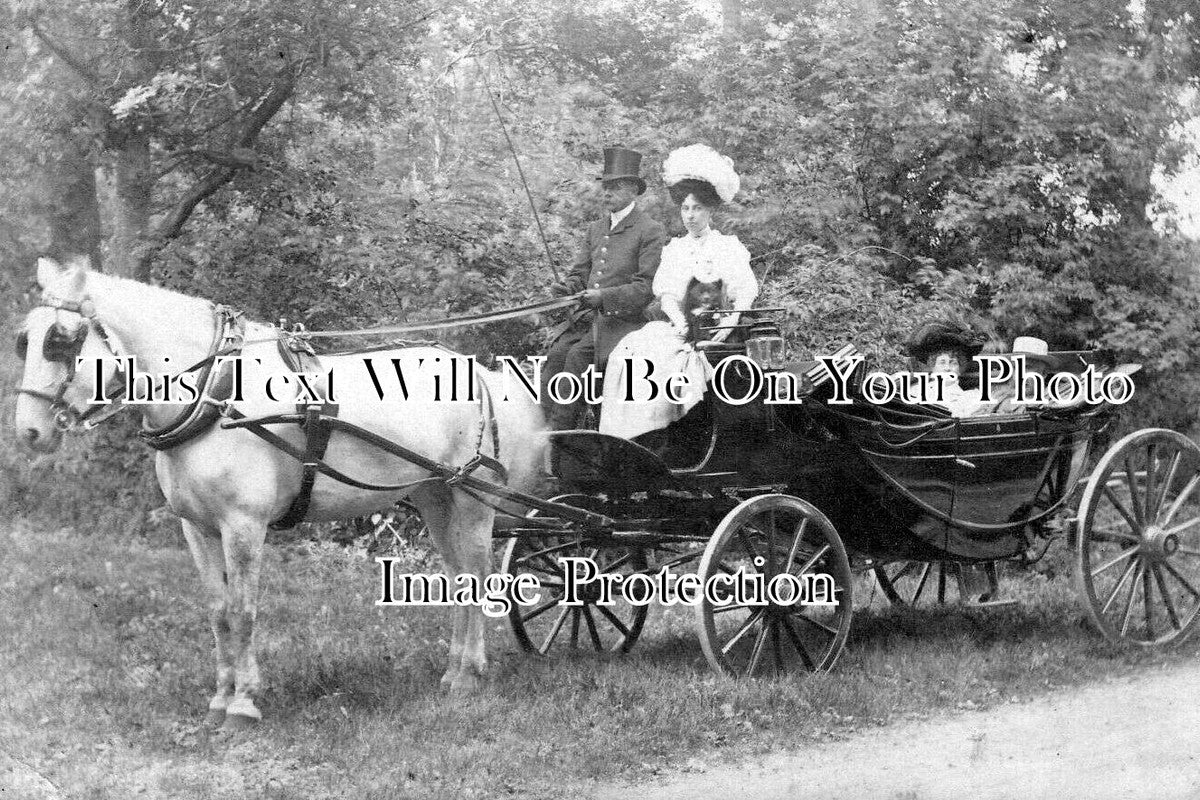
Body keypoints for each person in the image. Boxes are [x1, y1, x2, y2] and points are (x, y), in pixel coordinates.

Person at [599, 144, 758, 443]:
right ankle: (631, 437)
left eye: (697, 208)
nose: (690, 216)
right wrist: (679, 321)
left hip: (722, 327)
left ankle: (666, 434)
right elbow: (668, 294)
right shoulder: (676, 249)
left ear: (710, 210)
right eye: (685, 209)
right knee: (630, 351)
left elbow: (744, 292)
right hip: (683, 326)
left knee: (672, 361)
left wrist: (729, 322)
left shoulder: (728, 247)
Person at [542, 146, 667, 431]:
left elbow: (645, 287)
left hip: (623, 322)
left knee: (576, 358)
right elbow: (581, 273)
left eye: (615, 186)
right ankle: (537, 434)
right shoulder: (596, 229)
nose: (607, 192)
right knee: (557, 353)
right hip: (589, 323)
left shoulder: (649, 230)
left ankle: (562, 443)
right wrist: (566, 288)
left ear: (633, 190)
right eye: (605, 185)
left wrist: (603, 298)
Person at [904, 321, 987, 418]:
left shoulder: (972, 398)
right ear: (932, 366)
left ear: (960, 369)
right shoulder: (916, 391)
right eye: (942, 362)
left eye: (953, 363)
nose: (947, 368)